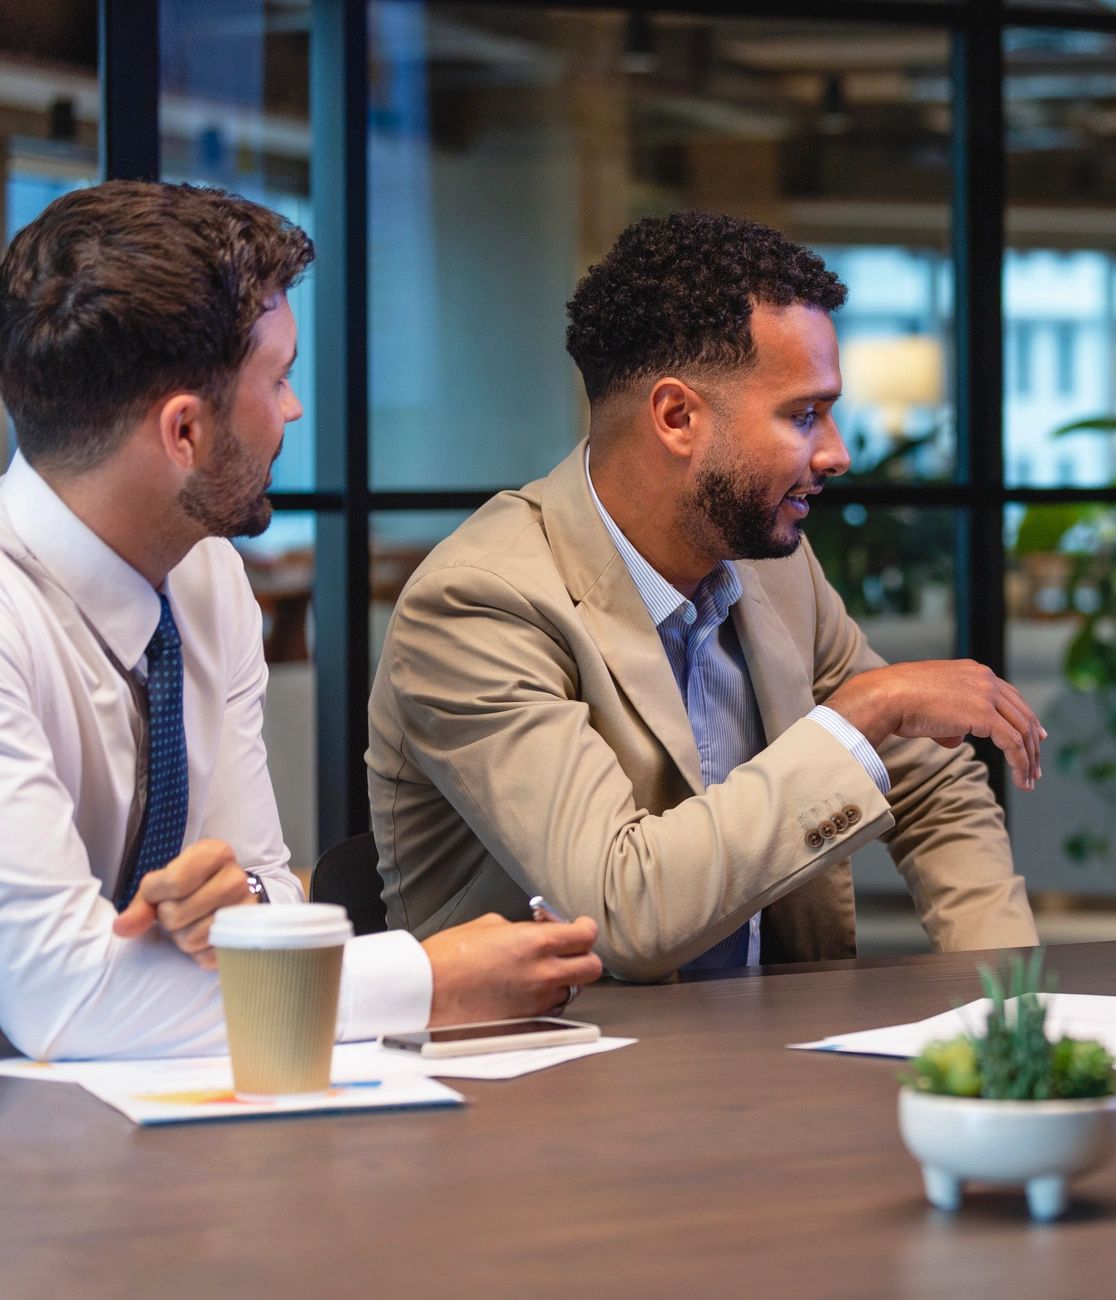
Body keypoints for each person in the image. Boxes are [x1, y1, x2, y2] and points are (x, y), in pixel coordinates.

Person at [0, 181, 603, 1061]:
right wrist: (429, 984)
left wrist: (233, 907)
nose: (294, 410)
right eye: (278, 378)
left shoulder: (205, 581)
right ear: (184, 432)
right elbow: (60, 995)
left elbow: (269, 892)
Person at [368, 212, 1041, 980]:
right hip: (559, 1074)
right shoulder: (477, 604)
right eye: (803, 414)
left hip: (762, 1056)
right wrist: (862, 712)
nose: (837, 452)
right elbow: (620, 913)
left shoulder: (772, 568)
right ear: (677, 417)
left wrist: (1013, 1008)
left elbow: (933, 784)